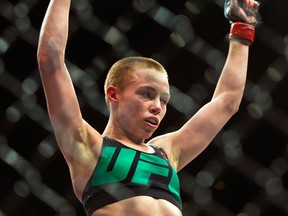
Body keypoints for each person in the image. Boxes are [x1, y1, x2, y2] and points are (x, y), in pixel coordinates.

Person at [37, 0, 260, 215]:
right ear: (114, 94)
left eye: (163, 100)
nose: (157, 107)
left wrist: (242, 28)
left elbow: (226, 102)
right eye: (147, 94)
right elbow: (50, 58)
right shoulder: (88, 147)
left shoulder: (168, 151)